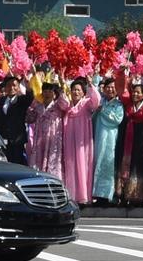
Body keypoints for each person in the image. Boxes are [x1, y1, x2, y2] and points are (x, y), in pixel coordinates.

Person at [61, 77, 100, 205]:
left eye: (78, 90)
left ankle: (83, 196)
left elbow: (96, 101)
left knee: (82, 165)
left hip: (82, 142)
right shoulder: (68, 105)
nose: (76, 92)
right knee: (70, 164)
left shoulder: (86, 104)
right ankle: (71, 195)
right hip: (69, 140)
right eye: (73, 90)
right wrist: (62, 84)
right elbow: (61, 103)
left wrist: (90, 84)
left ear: (83, 92)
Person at [115, 82, 143, 205]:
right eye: (134, 92)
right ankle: (124, 195)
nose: (135, 94)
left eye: (138, 92)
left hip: (140, 141)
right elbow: (121, 89)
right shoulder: (128, 106)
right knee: (125, 166)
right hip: (126, 140)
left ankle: (137, 196)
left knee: (137, 168)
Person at [25, 82, 69, 179]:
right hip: (39, 139)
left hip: (53, 139)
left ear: (54, 94)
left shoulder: (58, 106)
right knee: (38, 160)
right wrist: (31, 106)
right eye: (45, 91)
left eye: (50, 91)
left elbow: (66, 105)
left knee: (52, 160)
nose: (47, 94)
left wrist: (62, 88)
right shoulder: (38, 106)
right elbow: (29, 119)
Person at [91, 77, 124, 203]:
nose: (110, 89)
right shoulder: (100, 102)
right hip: (98, 136)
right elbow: (92, 118)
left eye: (113, 87)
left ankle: (107, 195)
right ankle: (96, 194)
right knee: (97, 162)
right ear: (104, 89)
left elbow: (117, 119)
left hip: (111, 138)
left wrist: (103, 111)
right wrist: (97, 111)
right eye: (108, 87)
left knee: (108, 165)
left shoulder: (118, 105)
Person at [0, 75, 35, 164]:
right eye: (9, 85)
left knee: (16, 164)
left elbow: (30, 97)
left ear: (18, 87)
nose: (11, 88)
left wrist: (28, 84)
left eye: (14, 85)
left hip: (16, 141)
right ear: (5, 87)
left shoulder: (22, 100)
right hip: (1, 141)